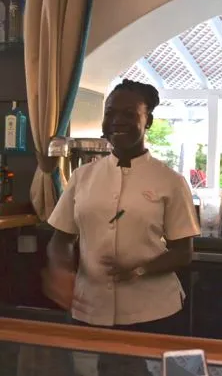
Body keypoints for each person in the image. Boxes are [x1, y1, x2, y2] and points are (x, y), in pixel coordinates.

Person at [43, 79, 200, 334]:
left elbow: (183, 251)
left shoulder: (171, 181)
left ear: (147, 121)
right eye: (110, 113)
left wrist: (140, 269)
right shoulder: (83, 177)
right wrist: (60, 269)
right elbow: (61, 238)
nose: (117, 120)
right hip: (88, 309)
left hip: (153, 312)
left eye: (129, 114)